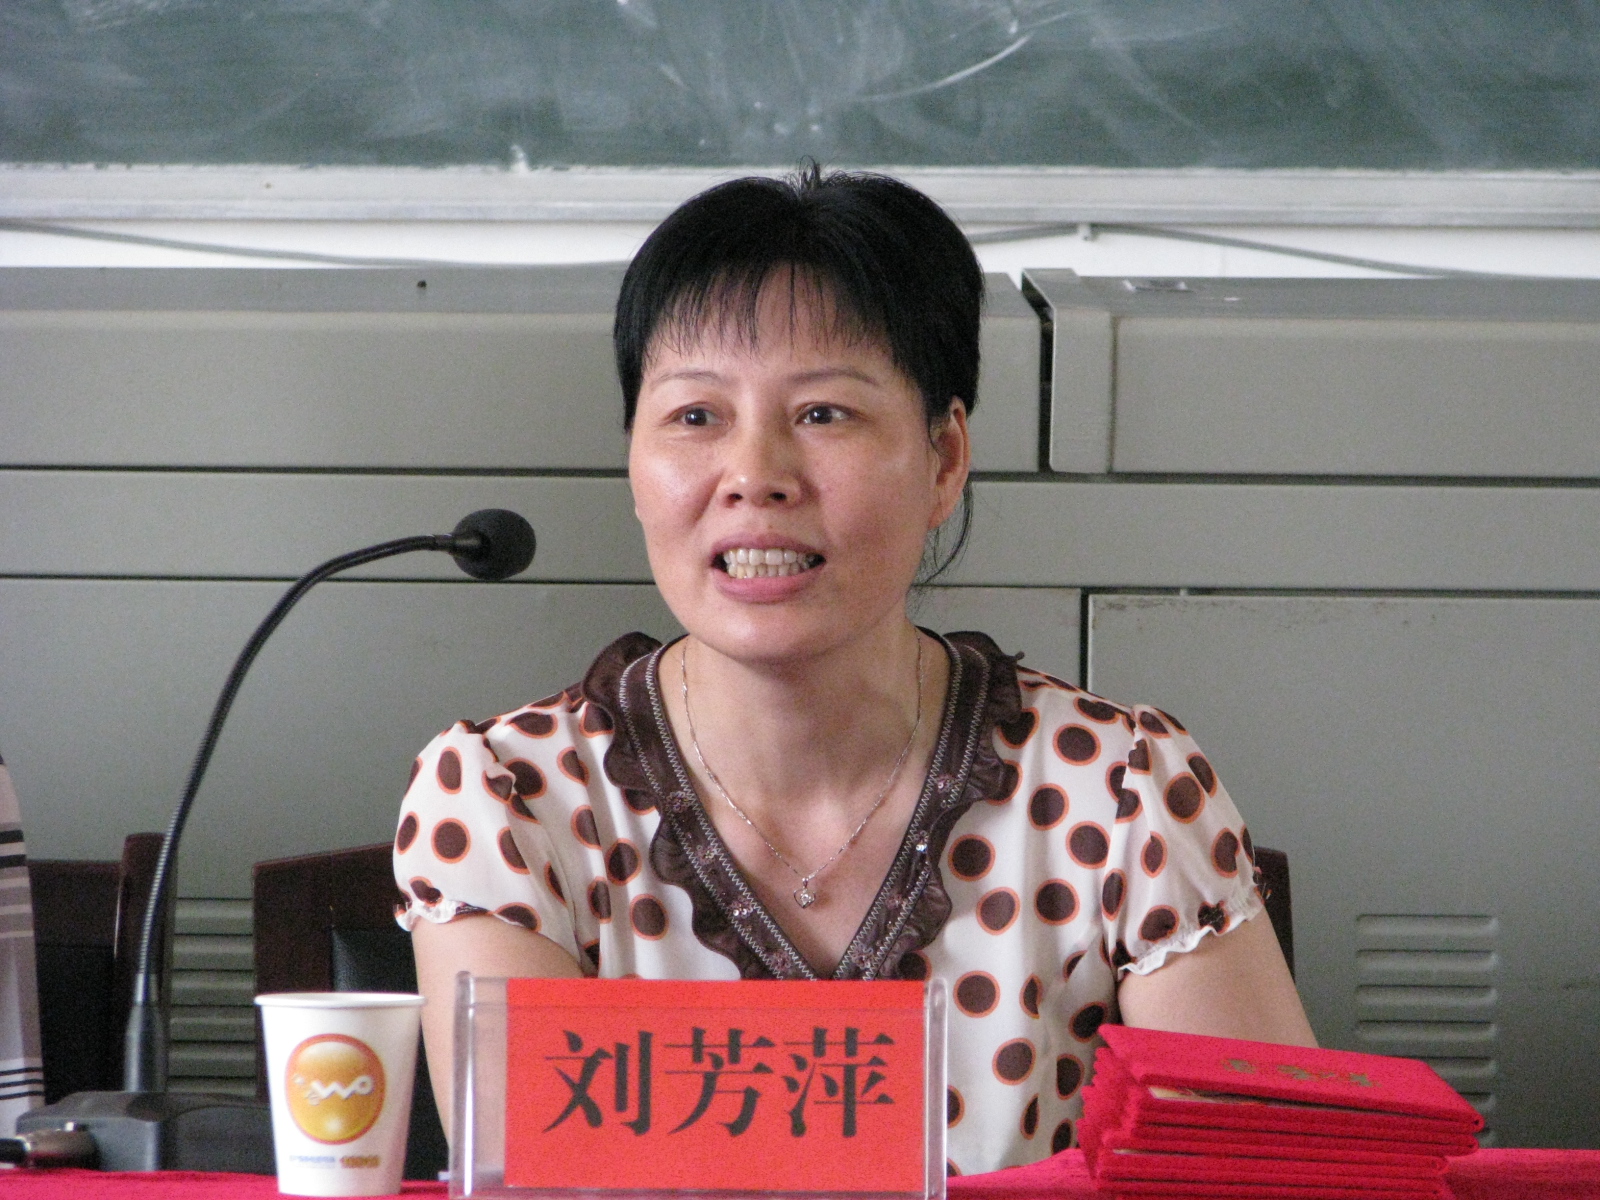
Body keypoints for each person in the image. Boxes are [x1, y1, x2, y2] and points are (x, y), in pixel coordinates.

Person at [394, 165, 1314, 1175]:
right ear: (634, 465)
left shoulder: (1120, 789)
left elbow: (1274, 1176)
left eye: (824, 414)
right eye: (695, 416)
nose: (755, 475)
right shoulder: (509, 801)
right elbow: (538, 1184)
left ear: (944, 459)